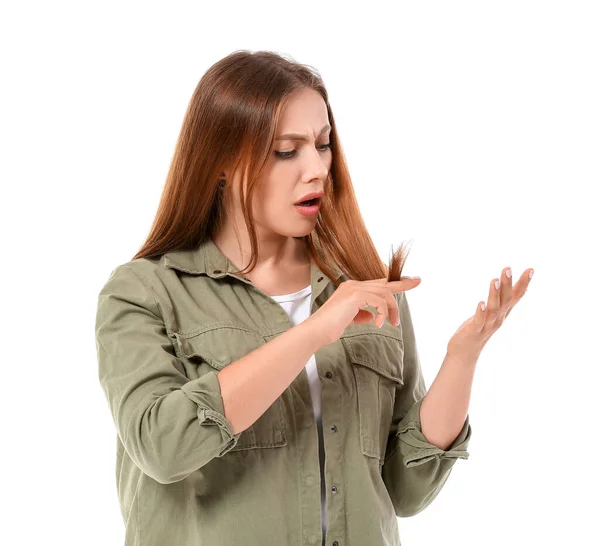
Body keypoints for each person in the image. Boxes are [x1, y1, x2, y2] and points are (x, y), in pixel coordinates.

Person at [96, 49, 532, 546]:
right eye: (287, 150)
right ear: (220, 162)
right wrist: (315, 332)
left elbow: (405, 491)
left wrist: (462, 358)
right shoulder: (143, 292)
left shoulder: (364, 291)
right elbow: (162, 446)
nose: (317, 168)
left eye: (323, 145)